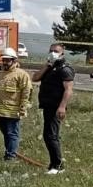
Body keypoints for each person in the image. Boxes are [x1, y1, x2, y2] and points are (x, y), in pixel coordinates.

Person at [31, 43, 75, 175]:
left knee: (51, 135)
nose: (52, 53)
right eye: (51, 51)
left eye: (56, 51)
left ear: (62, 53)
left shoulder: (64, 68)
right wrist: (47, 65)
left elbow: (68, 90)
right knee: (47, 135)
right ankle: (53, 163)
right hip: (47, 105)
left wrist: (62, 107)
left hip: (56, 106)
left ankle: (58, 165)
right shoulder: (51, 66)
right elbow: (35, 78)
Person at [0, 46, 31, 162]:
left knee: (12, 134)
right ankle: (9, 152)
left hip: (13, 112)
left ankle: (11, 156)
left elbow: (27, 92)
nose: (5, 62)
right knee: (6, 133)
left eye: (7, 60)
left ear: (14, 61)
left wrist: (23, 107)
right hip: (1, 111)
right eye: (4, 60)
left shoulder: (21, 75)